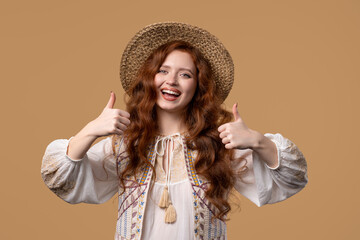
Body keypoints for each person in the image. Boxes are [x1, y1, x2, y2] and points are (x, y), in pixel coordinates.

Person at [41, 22, 308, 240]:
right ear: (150, 79)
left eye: (185, 74)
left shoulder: (218, 147)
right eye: (163, 71)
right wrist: (90, 131)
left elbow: (292, 179)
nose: (171, 81)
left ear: (198, 87)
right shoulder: (125, 146)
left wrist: (257, 142)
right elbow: (61, 181)